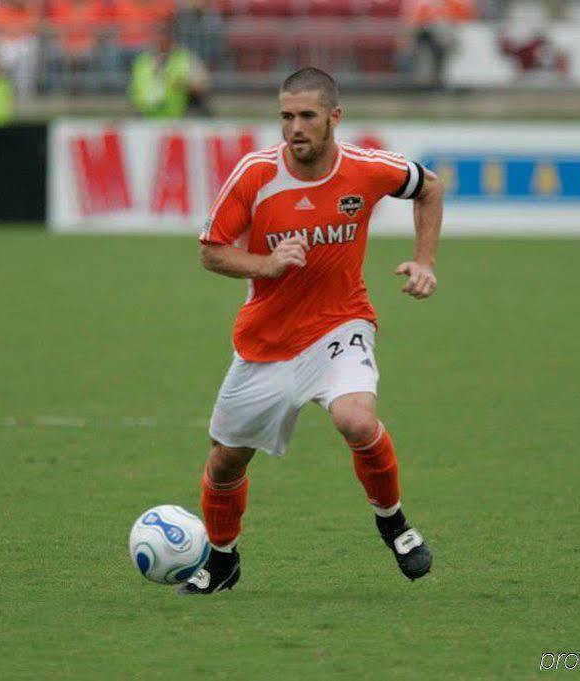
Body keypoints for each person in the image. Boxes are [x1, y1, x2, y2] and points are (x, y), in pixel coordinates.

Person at [180, 67, 443, 595]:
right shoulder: (255, 175)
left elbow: (429, 187)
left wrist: (424, 261)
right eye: (285, 116)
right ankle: (224, 558)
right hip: (266, 342)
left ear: (334, 119)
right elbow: (211, 251)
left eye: (306, 116)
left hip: (340, 324)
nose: (294, 127)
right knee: (225, 461)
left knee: (355, 419)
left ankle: (393, 522)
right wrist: (266, 265)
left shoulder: (368, 168)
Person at [129, 24, 210, 118]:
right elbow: (136, 89)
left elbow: (203, 89)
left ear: (172, 40)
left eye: (164, 37)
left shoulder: (186, 59)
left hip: (179, 116)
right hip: (146, 116)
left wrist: (185, 84)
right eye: (158, 37)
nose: (160, 42)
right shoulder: (142, 61)